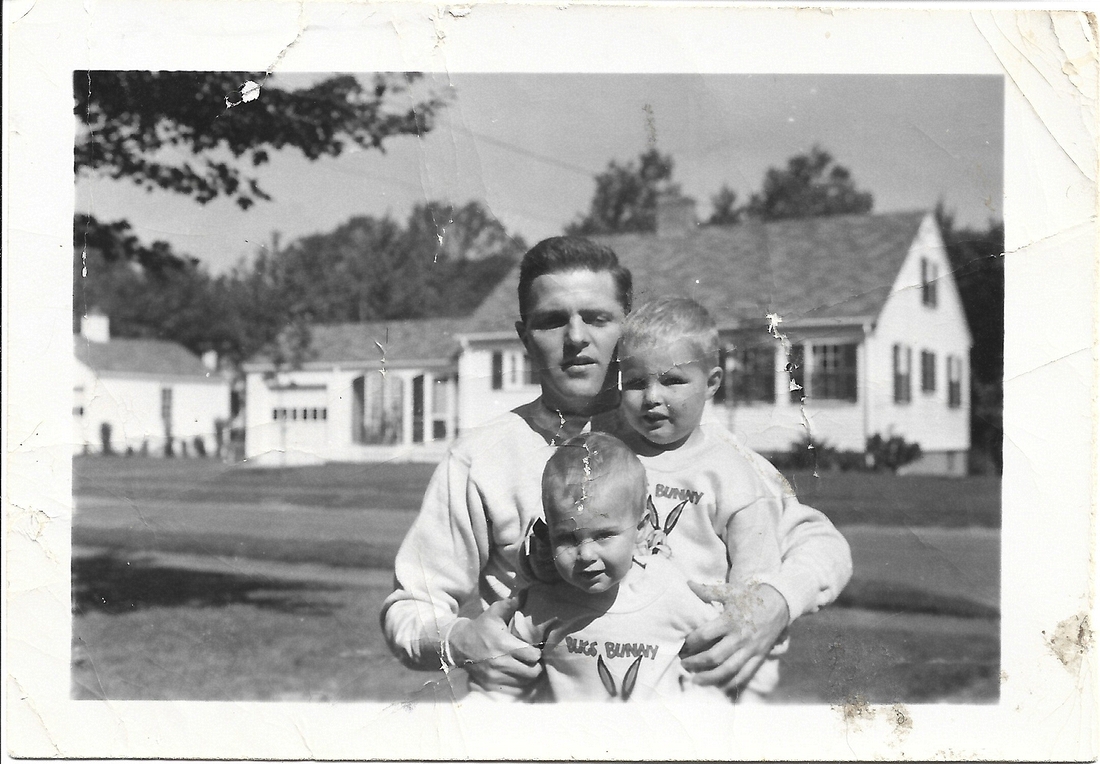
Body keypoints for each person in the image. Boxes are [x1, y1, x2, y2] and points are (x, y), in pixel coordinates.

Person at [381, 236, 852, 697]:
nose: (576, 338)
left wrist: (776, 601)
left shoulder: (697, 447)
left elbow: (821, 543)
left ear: (626, 326)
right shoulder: (482, 458)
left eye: (597, 318)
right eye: (550, 322)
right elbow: (411, 605)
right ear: (524, 336)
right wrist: (458, 640)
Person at [480, 432, 743, 702]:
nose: (585, 553)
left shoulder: (666, 588)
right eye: (567, 538)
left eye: (603, 535)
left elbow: (719, 647)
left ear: (640, 530)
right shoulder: (542, 604)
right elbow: (507, 679)